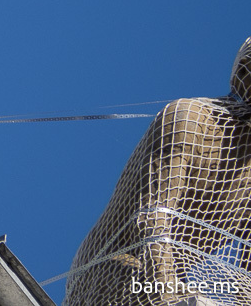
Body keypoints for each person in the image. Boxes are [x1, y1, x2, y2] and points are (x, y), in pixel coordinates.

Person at [66, 38, 251, 306]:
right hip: (111, 264)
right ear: (245, 72)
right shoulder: (191, 117)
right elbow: (150, 214)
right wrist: (166, 289)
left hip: (172, 274)